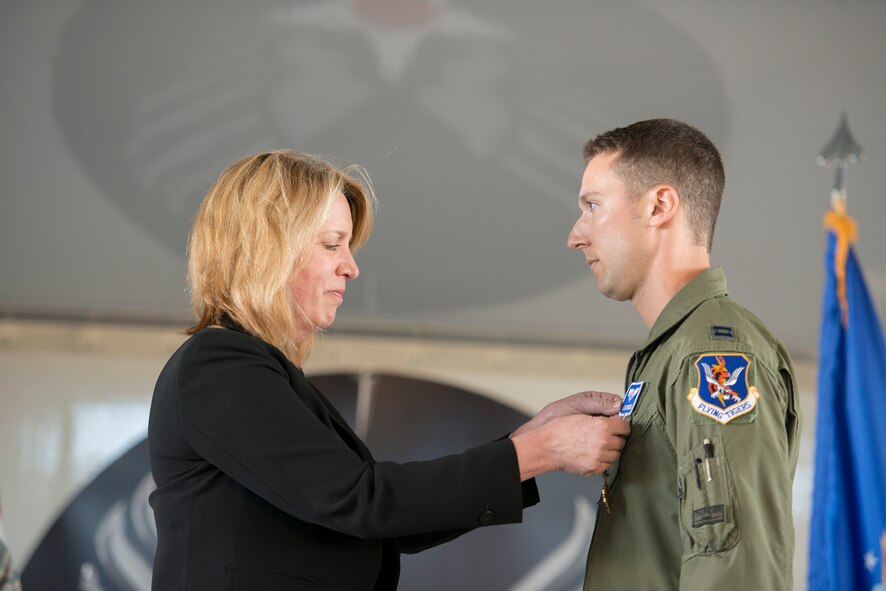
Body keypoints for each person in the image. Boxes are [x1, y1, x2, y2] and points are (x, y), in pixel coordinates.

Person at [148, 150, 631, 590]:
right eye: (332, 244)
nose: (351, 268)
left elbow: (386, 517)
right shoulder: (218, 365)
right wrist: (535, 452)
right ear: (269, 248)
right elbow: (363, 500)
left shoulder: (241, 369)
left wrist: (528, 440)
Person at [567, 119, 801, 589]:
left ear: (659, 205)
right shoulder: (672, 353)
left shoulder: (712, 354)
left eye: (593, 206)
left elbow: (737, 570)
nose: (576, 235)